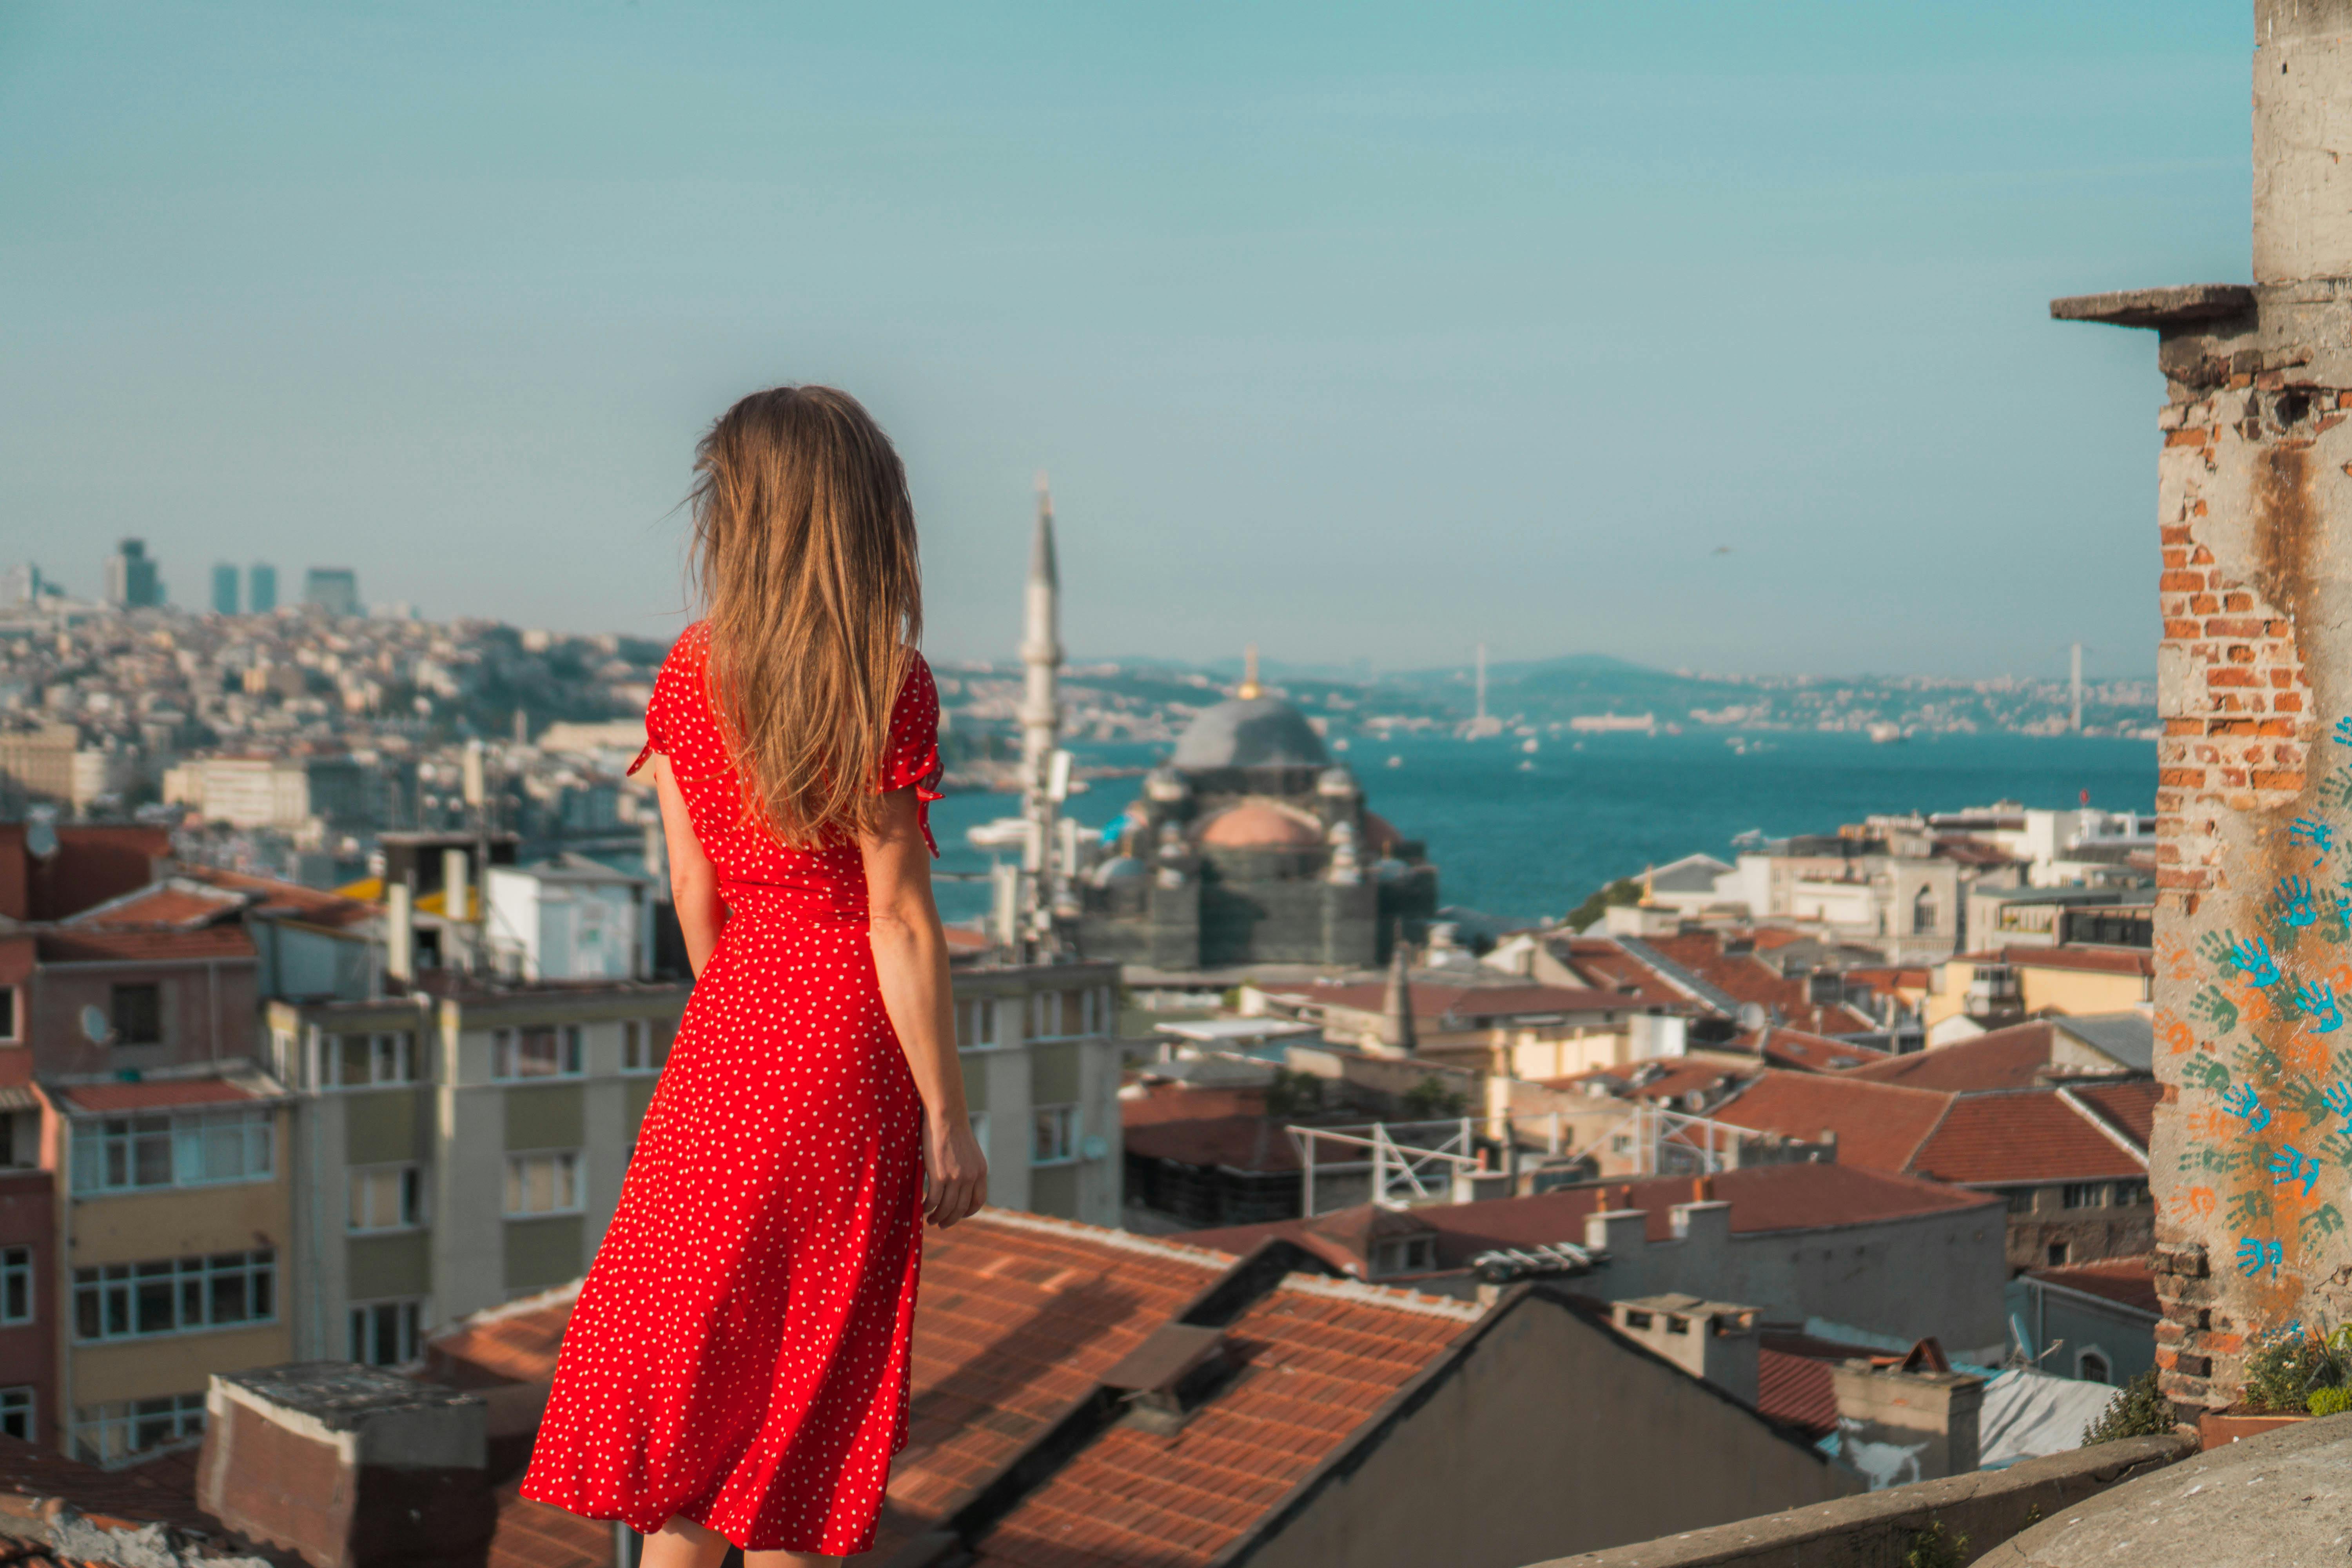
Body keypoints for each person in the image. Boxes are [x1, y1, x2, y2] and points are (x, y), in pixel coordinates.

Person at [519, 386, 988, 1568]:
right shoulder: (887, 680)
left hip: (730, 1027)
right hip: (842, 1033)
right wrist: (950, 1117)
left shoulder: (690, 670)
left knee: (705, 1382)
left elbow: (693, 890)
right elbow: (899, 919)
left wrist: (742, 1015)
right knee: (809, 1391)